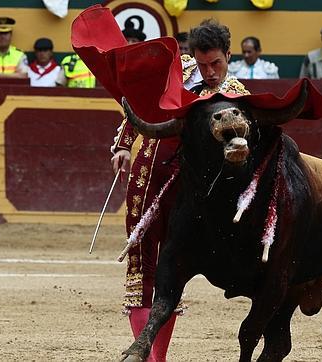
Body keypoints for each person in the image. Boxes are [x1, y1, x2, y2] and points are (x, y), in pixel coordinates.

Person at [110, 18, 249, 362]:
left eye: (216, 63)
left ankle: (157, 355)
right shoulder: (179, 71)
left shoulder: (235, 96)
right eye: (203, 64)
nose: (210, 71)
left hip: (188, 190)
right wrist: (125, 145)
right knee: (140, 264)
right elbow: (140, 104)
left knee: (170, 270)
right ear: (191, 56)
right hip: (147, 173)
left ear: (229, 55)